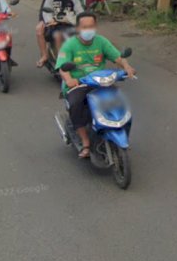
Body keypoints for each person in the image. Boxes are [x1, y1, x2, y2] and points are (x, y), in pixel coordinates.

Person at [57, 12, 136, 158]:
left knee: (119, 102)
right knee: (76, 104)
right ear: (78, 28)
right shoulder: (69, 45)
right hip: (79, 84)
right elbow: (62, 67)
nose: (88, 30)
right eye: (85, 27)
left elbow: (118, 58)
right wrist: (69, 80)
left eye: (91, 26)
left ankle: (117, 129)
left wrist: (127, 67)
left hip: (101, 82)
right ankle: (85, 141)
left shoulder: (101, 41)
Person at [36, 0, 84, 68]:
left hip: (70, 24)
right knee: (40, 29)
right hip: (54, 24)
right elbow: (45, 11)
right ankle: (46, 56)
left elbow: (80, 12)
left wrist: (78, 20)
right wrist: (49, 20)